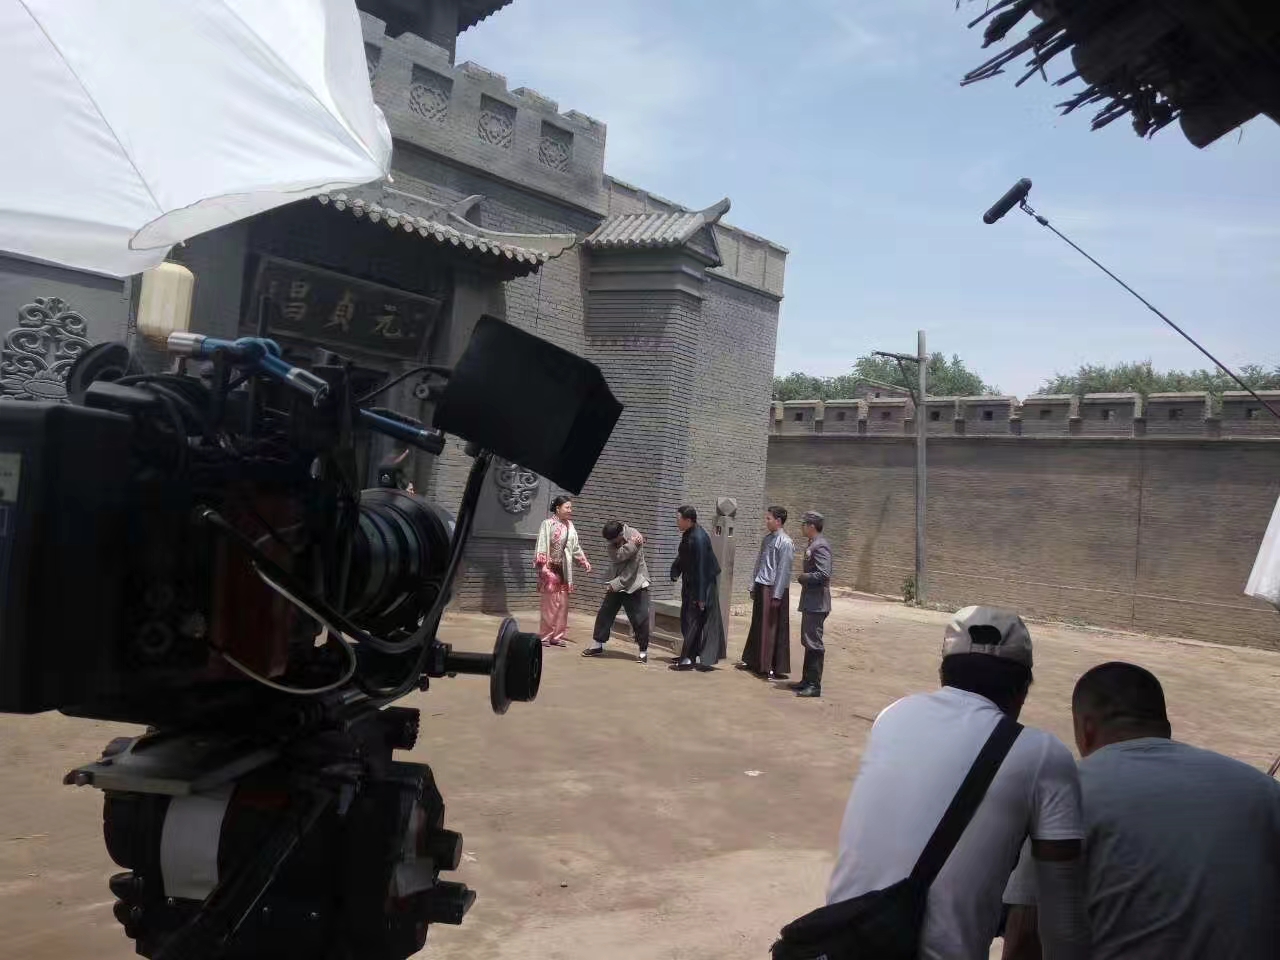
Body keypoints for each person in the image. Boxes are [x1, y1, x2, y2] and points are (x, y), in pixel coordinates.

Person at [827, 606, 1088, 960]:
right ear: (1023, 690)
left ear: (943, 673)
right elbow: (1062, 913)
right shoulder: (1044, 755)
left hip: (840, 945)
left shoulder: (893, 715)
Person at [1002, 661, 1280, 960]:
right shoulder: (1264, 791)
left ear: (1086, 729)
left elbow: (1026, 936)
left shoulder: (1066, 792)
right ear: (1165, 725)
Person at [582, 520, 652, 663]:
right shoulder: (627, 541)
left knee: (640, 618)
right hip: (617, 580)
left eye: (612, 540)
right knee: (605, 613)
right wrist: (632, 545)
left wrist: (616, 584)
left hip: (636, 582)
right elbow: (616, 556)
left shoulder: (634, 534)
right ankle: (597, 645)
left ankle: (643, 651)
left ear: (620, 534)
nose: (610, 543)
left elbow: (633, 567)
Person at [738, 505, 794, 680]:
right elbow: (759, 563)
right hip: (762, 585)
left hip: (773, 588)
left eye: (769, 518)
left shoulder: (785, 542)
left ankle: (768, 666)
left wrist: (777, 595)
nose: (766, 521)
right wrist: (753, 584)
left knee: (770, 628)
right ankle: (753, 661)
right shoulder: (767, 539)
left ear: (778, 521)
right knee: (757, 625)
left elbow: (784, 571)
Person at [668, 505, 726, 671]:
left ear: (688, 520)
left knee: (693, 621)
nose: (676, 522)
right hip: (692, 584)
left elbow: (701, 568)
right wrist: (675, 570)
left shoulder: (699, 538)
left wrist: (701, 597)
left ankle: (687, 659)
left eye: (678, 519)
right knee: (687, 620)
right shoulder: (688, 534)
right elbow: (684, 555)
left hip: (702, 585)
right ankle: (689, 654)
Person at [533, 495, 590, 647]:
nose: (570, 510)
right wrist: (543, 567)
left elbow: (575, 546)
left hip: (564, 570)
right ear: (558, 508)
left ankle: (557, 636)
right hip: (550, 570)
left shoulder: (570, 525)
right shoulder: (547, 524)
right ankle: (545, 636)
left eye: (571, 507)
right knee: (550, 605)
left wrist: (583, 561)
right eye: (567, 507)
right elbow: (542, 544)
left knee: (562, 606)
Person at [792, 510, 832, 698]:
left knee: (814, 642)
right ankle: (806, 680)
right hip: (811, 601)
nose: (802, 527)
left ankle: (814, 685)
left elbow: (824, 573)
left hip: (817, 602)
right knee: (808, 640)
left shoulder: (820, 546)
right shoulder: (813, 544)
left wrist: (805, 577)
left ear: (811, 526)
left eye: (804, 524)